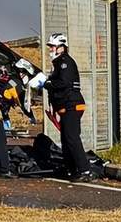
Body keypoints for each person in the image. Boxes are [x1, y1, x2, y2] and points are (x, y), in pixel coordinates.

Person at [31, 33, 92, 182]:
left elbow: (63, 83)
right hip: (66, 106)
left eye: (52, 46)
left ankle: (85, 170)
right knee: (66, 139)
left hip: (73, 105)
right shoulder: (58, 63)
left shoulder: (65, 62)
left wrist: (46, 83)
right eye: (50, 46)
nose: (50, 49)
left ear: (61, 47)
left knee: (72, 138)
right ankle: (71, 169)